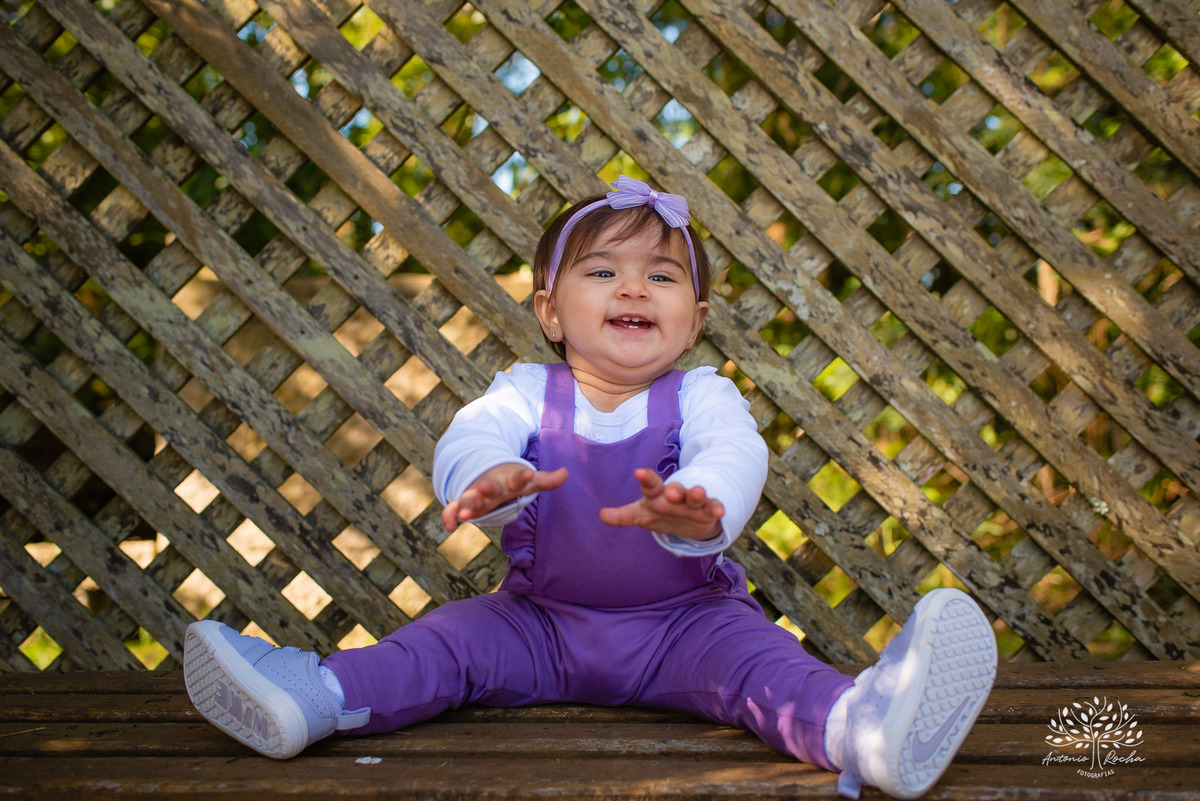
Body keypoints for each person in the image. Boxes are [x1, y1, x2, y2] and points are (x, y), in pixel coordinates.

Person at [183, 176, 998, 799]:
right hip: (539, 624)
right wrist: (491, 481)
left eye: (663, 277)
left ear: (697, 317)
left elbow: (736, 454)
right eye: (603, 270)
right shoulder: (526, 390)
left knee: (769, 671)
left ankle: (867, 731)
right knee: (442, 646)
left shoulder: (704, 395)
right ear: (550, 312)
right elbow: (473, 434)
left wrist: (699, 503)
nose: (635, 288)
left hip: (687, 626)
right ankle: (314, 699)